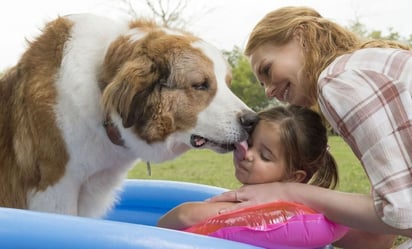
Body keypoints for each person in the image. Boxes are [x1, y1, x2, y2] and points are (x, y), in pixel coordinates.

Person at [206, 6, 412, 249]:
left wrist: (288, 192)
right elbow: (379, 237)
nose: (269, 91)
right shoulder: (365, 65)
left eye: (267, 70)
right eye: (262, 83)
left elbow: (402, 217)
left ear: (300, 36)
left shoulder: (338, 81)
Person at [158, 105, 339, 230]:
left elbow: (185, 215)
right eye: (249, 143)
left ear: (294, 177)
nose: (249, 154)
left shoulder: (277, 211)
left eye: (265, 156)